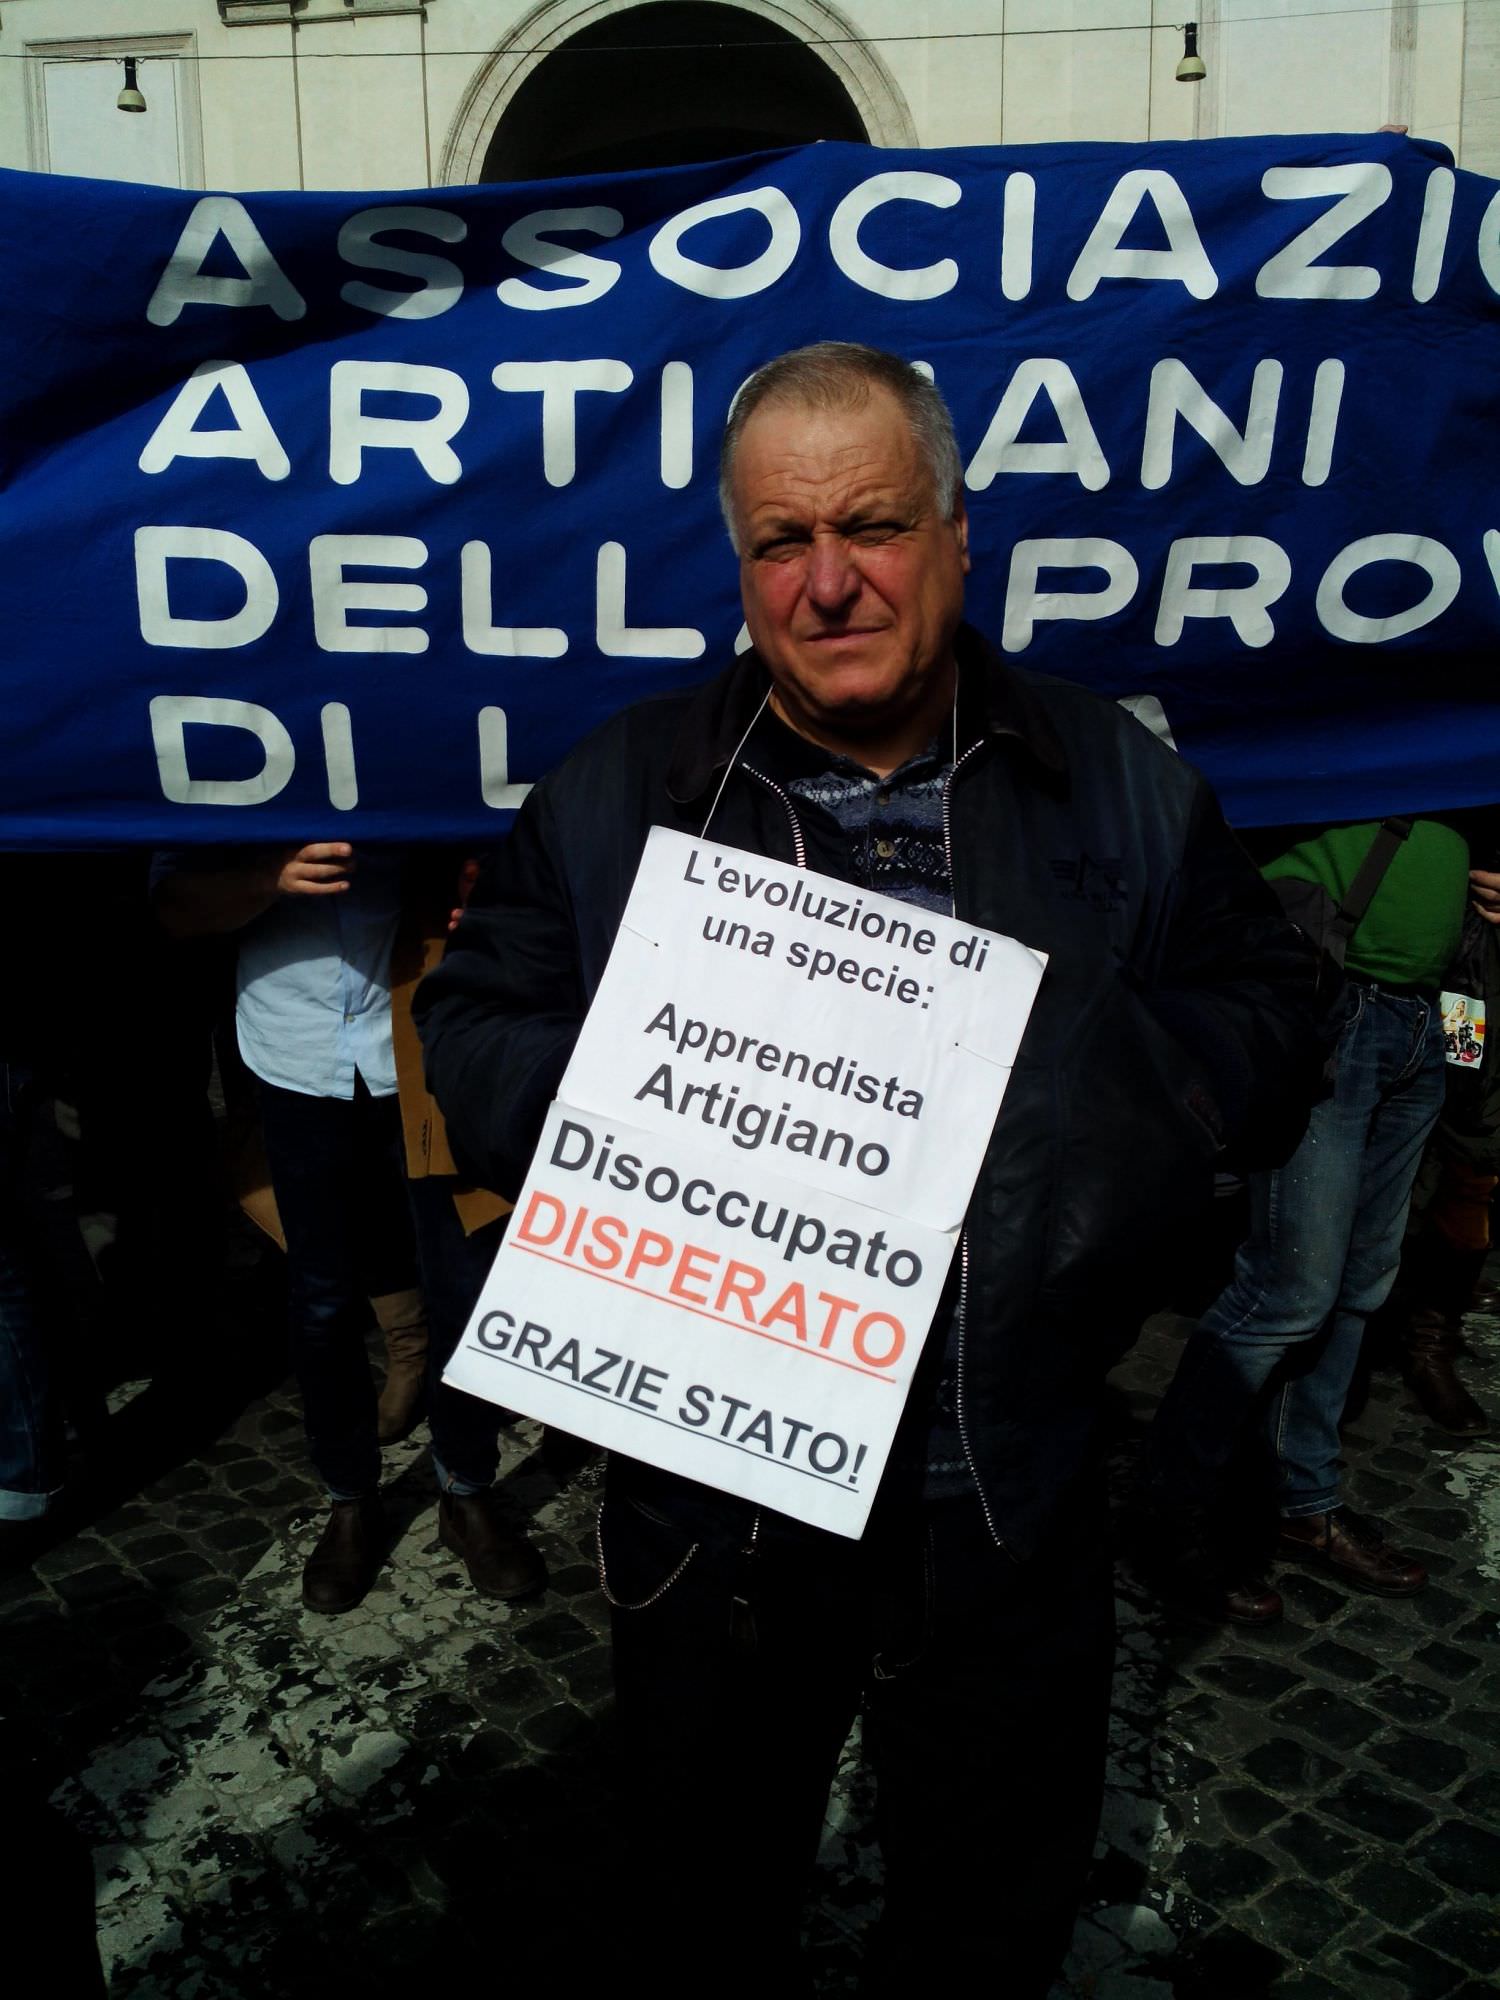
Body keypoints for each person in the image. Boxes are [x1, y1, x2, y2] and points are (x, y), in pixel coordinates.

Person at [416, 343, 1321, 1994]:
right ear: (741, 565)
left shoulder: (1114, 779)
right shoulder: (618, 789)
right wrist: (651, 1094)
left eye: (874, 527)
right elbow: (474, 1026)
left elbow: (1258, 1011)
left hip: (1001, 1484)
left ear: (959, 537)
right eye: (782, 541)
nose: (829, 581)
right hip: (716, 1497)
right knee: (707, 1890)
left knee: (988, 1906)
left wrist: (1081, 1125)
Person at [152, 843, 544, 1613]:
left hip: (425, 1039)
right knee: (323, 1298)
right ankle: (349, 1502)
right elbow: (172, 908)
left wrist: (482, 887)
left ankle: (467, 1492)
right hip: (292, 1054)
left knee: (462, 1284)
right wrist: (266, 877)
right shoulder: (218, 781)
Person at [1140, 818, 1465, 1618]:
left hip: (1430, 1019)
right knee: (1290, 1290)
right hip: (1334, 1004)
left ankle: (1304, 1506)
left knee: (1361, 1285)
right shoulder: (1367, 712)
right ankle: (1165, 1517)